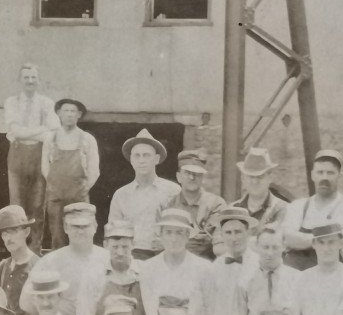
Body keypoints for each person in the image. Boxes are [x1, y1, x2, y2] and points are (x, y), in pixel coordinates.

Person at [23, 203, 109, 315]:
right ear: (65, 227)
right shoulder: (51, 261)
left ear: (95, 226)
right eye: (75, 226)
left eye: (85, 226)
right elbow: (27, 301)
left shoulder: (107, 259)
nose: (80, 231)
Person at [2, 63, 58, 245]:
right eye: (26, 77)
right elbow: (16, 132)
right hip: (18, 155)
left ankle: (35, 248)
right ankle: (18, 247)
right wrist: (41, 130)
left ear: (38, 80)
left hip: (39, 154)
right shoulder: (12, 102)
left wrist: (29, 131)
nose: (30, 81)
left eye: (34, 77)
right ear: (20, 80)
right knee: (17, 206)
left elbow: (53, 130)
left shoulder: (47, 103)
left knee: (37, 204)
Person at [136, 208, 214, 315]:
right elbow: (149, 309)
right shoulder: (147, 268)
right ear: (160, 235)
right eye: (168, 232)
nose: (173, 238)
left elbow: (211, 311)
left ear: (188, 235)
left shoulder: (204, 268)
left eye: (179, 233)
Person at [281, 148, 343, 271]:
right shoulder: (297, 206)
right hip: (297, 279)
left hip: (332, 278)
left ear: (339, 175)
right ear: (312, 175)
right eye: (320, 172)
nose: (324, 177)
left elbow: (336, 239)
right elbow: (287, 238)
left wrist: (300, 239)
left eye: (330, 173)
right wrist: (324, 238)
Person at [108, 128, 179, 259]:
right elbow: (113, 231)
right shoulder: (121, 194)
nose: (141, 160)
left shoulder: (173, 190)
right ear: (131, 159)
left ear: (156, 159)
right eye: (137, 155)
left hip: (164, 255)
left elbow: (182, 228)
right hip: (132, 256)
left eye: (146, 155)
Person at [41, 98, 100, 251]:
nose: (69, 114)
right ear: (59, 114)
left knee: (81, 235)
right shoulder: (50, 138)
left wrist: (84, 189)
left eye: (73, 111)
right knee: (57, 237)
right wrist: (55, 184)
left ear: (79, 114)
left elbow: (95, 169)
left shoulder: (87, 139)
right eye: (65, 111)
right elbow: (44, 166)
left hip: (78, 196)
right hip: (56, 197)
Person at [164, 150, 226, 259]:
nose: (192, 178)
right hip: (173, 267)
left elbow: (210, 243)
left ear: (203, 177)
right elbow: (157, 243)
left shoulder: (216, 204)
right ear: (178, 176)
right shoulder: (168, 205)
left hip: (205, 267)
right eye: (188, 173)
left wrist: (174, 242)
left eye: (197, 174)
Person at [0, 205, 39, 315]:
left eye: (14, 231)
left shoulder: (39, 266)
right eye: (5, 233)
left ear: (26, 231)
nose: (9, 238)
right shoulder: (1, 268)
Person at [229, 147, 289, 234]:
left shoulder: (283, 209)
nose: (255, 181)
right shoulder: (232, 209)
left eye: (260, 177)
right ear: (243, 178)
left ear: (270, 178)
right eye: (250, 176)